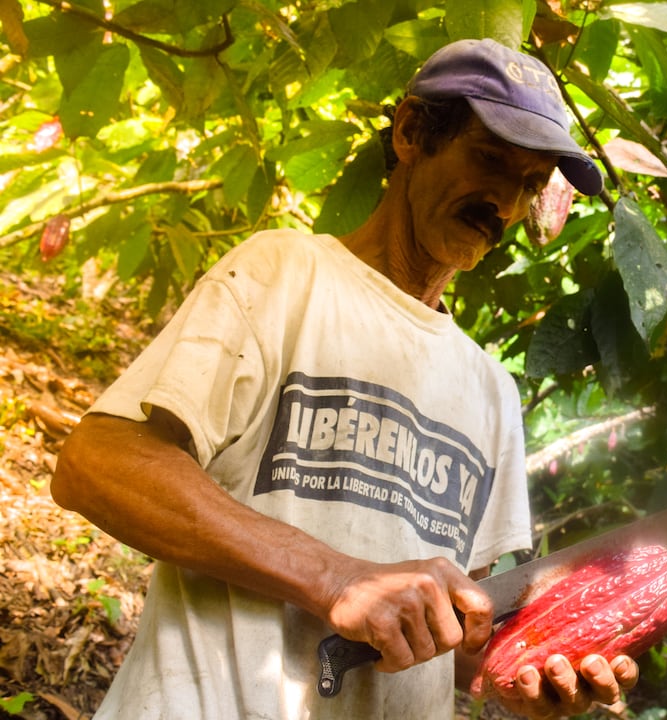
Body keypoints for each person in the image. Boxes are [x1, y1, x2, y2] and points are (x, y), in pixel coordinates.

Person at [51, 38, 635, 720]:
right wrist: (335, 578)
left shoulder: (491, 392)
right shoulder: (284, 275)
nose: (504, 203)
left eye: (530, 184)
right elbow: (96, 462)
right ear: (412, 132)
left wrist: (524, 669)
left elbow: (452, 630)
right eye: (491, 161)